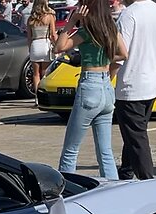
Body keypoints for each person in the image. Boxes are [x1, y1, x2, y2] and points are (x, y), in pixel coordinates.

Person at [54, 0, 127, 178]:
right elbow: (124, 54)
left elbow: (59, 47)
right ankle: (113, 192)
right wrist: (107, 59)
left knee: (70, 150)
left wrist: (72, 21)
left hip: (89, 86)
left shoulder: (85, 33)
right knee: (105, 152)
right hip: (106, 88)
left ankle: (65, 193)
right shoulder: (111, 29)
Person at [115, 0, 156, 179]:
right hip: (152, 79)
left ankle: (147, 178)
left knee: (137, 138)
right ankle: (126, 172)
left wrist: (106, 77)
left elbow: (120, 53)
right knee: (135, 133)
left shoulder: (129, 14)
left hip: (132, 83)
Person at [27, 0, 57, 107]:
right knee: (45, 73)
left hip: (35, 45)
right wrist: (57, 45)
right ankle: (44, 96)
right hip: (45, 44)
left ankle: (37, 99)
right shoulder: (49, 17)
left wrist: (30, 49)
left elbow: (29, 37)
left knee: (36, 74)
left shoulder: (31, 19)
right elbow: (53, 34)